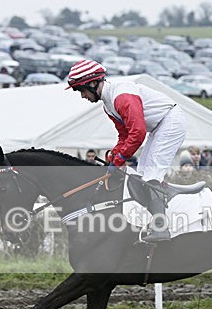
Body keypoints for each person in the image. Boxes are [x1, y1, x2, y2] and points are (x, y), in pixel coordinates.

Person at [67, 59, 186, 242]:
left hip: (170, 121)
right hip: (158, 126)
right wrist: (114, 155)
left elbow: (137, 134)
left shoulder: (121, 97)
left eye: (81, 90)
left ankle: (162, 228)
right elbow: (124, 135)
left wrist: (120, 159)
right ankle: (153, 219)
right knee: (142, 174)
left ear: (92, 83)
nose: (82, 95)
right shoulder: (108, 104)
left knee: (150, 176)